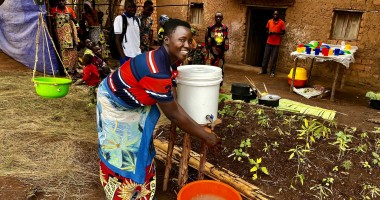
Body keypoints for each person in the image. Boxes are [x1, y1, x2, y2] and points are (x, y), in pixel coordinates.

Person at [96, 19, 219, 199]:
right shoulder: (155, 70)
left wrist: (193, 122)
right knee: (121, 151)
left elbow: (172, 96)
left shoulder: (166, 58)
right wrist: (207, 137)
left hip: (131, 98)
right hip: (115, 103)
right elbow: (174, 115)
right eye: (181, 40)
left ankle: (141, 184)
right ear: (167, 40)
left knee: (138, 145)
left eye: (189, 40)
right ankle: (123, 191)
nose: (187, 45)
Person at [50, 0, 78, 74]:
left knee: (72, 52)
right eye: (60, 1)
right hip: (60, 36)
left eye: (63, 1)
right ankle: (65, 70)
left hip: (69, 35)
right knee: (62, 52)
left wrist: (73, 18)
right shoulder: (53, 10)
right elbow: (51, 22)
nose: (61, 2)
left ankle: (72, 69)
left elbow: (76, 22)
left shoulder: (70, 10)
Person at [205, 12, 229, 89]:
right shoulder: (210, 28)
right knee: (212, 67)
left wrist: (226, 49)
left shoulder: (225, 28)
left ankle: (219, 85)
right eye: (217, 17)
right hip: (212, 52)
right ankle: (211, 84)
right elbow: (207, 39)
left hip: (221, 52)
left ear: (222, 18)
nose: (218, 18)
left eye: (220, 17)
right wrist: (207, 49)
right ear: (214, 18)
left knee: (220, 68)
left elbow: (226, 39)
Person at [258, 10, 286, 78]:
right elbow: (266, 29)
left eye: (277, 15)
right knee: (265, 57)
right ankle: (263, 70)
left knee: (273, 58)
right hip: (269, 42)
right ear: (273, 15)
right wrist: (268, 32)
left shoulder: (281, 22)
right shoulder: (269, 21)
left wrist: (276, 33)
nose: (275, 16)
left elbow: (283, 32)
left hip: (276, 43)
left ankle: (272, 72)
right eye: (274, 14)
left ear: (278, 15)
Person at [114, 1, 141, 65]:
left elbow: (137, 36)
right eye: (129, 7)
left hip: (138, 55)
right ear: (125, 8)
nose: (132, 9)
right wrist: (123, 57)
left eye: (134, 7)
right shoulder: (119, 19)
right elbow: (117, 40)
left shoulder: (137, 20)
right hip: (127, 55)